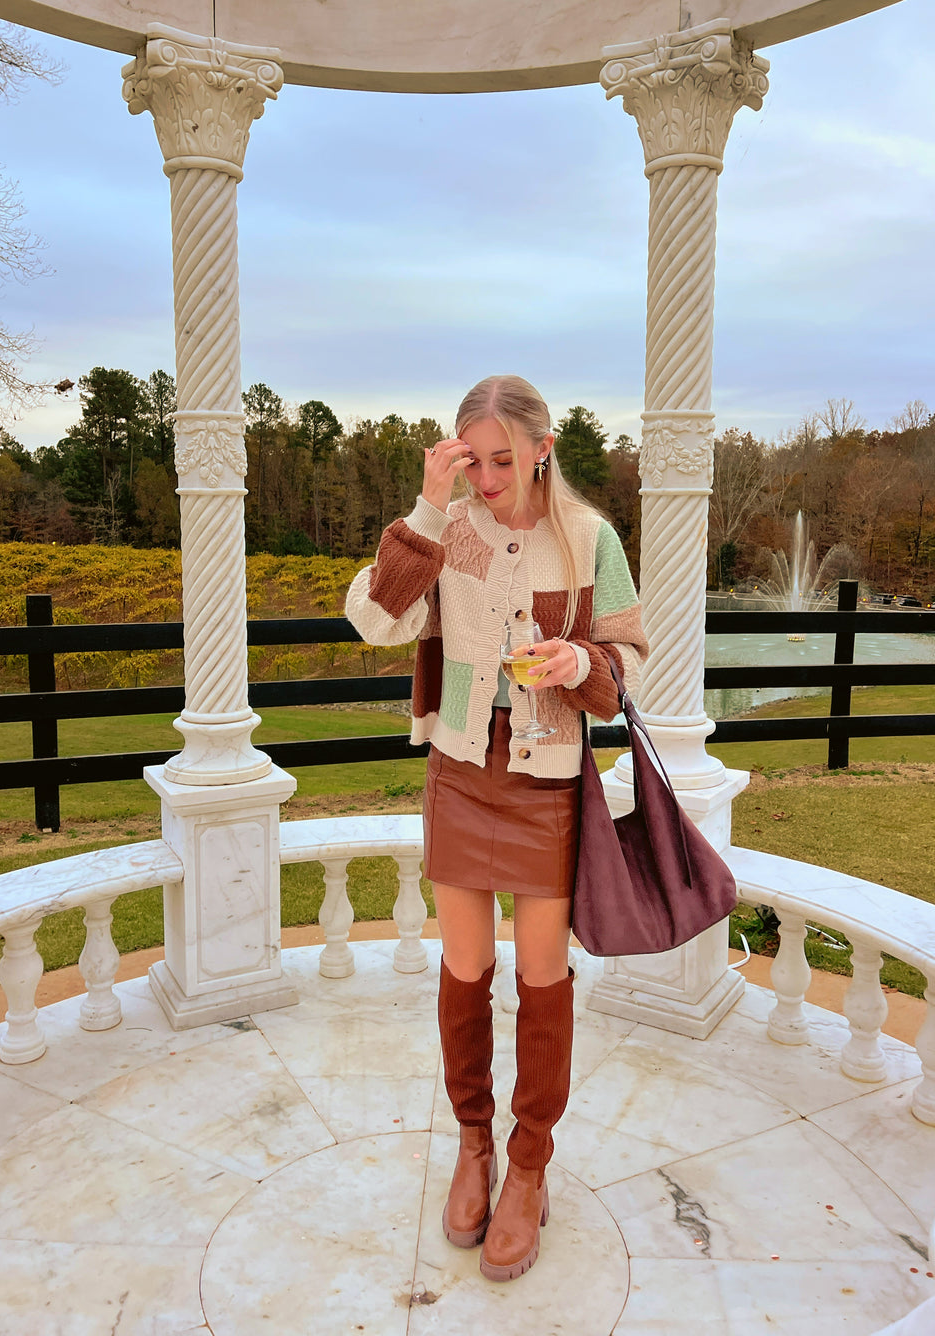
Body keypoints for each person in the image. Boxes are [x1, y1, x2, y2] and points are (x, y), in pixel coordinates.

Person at [345, 375, 647, 1281]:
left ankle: (528, 1165)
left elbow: (629, 660)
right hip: (460, 769)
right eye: (469, 460)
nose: (485, 478)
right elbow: (373, 621)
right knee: (465, 968)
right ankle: (473, 1144)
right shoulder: (448, 531)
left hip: (548, 777)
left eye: (501, 460)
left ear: (542, 447)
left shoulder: (592, 538)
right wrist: (426, 513)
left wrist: (579, 660)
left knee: (541, 972)